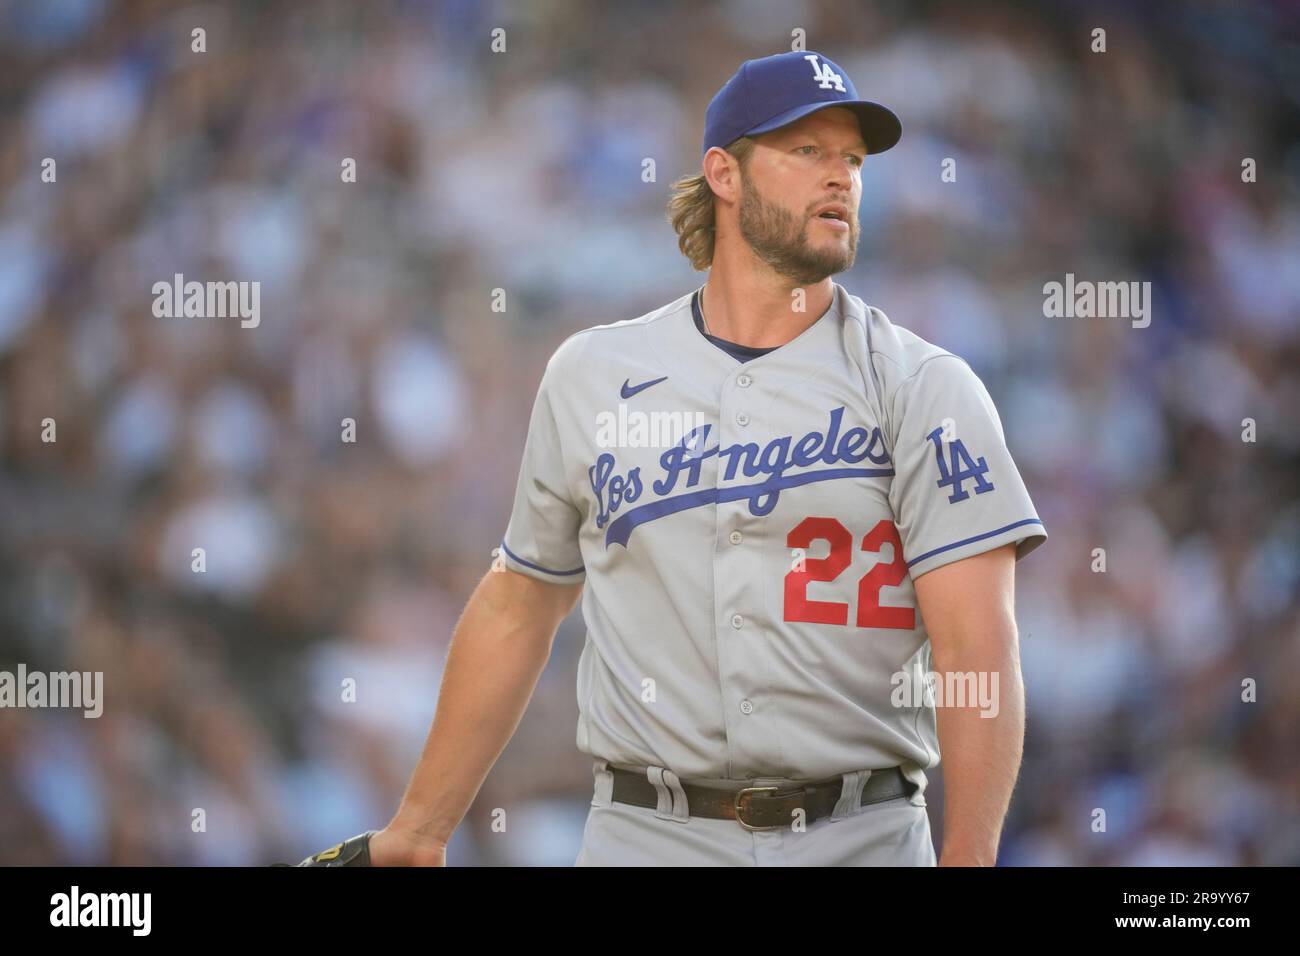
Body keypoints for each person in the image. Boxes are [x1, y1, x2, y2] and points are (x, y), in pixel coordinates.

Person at [366, 50, 1047, 867]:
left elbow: (977, 647)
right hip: (645, 833)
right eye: (807, 152)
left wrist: (968, 859)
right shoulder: (595, 375)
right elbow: (520, 604)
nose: (841, 177)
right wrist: (419, 829)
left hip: (860, 834)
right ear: (724, 173)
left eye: (853, 160)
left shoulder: (925, 386)